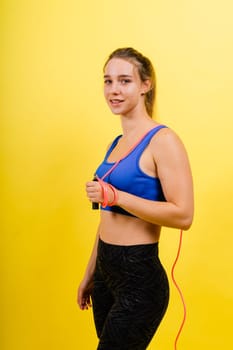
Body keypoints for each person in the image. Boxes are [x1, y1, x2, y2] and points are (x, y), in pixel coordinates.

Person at [77, 47, 194, 350]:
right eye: (108, 81)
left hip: (139, 277)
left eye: (125, 81)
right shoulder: (115, 144)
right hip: (105, 273)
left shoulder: (163, 141)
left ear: (146, 85)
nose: (114, 90)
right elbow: (106, 217)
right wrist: (91, 273)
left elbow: (183, 216)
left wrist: (115, 195)